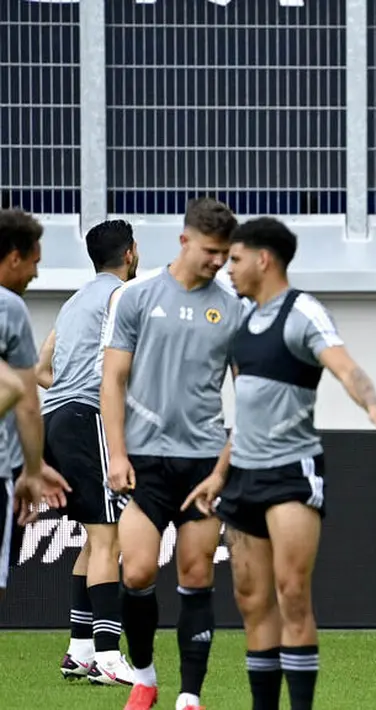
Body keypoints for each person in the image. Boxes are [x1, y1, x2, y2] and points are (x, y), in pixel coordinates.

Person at [180, 217, 376, 709]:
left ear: (264, 260)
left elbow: (344, 366)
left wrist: (371, 406)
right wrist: (219, 474)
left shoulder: (303, 311)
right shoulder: (239, 320)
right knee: (252, 602)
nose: (227, 269)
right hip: (242, 477)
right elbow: (246, 411)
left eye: (235, 259)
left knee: (291, 593)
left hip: (291, 475)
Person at [100, 197, 244, 710]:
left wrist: (228, 465)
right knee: (136, 572)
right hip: (144, 462)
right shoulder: (136, 298)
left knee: (196, 574)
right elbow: (112, 380)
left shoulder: (232, 307)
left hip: (204, 463)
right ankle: (144, 675)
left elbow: (247, 394)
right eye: (209, 251)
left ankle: (189, 695)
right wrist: (117, 455)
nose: (216, 262)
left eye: (224, 254)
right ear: (184, 241)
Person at [36, 219, 139, 685]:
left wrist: (69, 394)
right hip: (87, 418)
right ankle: (109, 656)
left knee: (91, 539)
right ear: (131, 253)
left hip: (53, 419)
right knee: (108, 540)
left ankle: (79, 651)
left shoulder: (74, 300)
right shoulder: (122, 297)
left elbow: (41, 368)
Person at [0, 208, 71, 601]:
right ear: (14, 257)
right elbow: (26, 401)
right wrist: (30, 469)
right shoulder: (9, 307)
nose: (35, 274)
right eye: (33, 262)